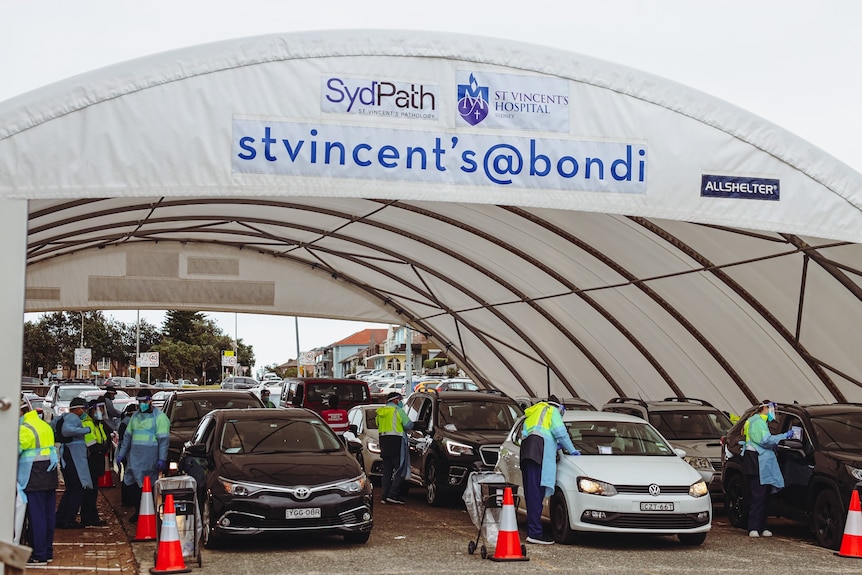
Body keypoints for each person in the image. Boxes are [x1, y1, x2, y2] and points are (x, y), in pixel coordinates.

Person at [520, 395, 579, 545]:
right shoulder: (552, 411)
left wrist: (553, 444)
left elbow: (527, 434)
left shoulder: (535, 412)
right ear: (560, 408)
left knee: (531, 494)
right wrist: (572, 450)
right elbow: (561, 433)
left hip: (527, 454)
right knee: (536, 496)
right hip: (538, 455)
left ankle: (533, 530)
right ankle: (535, 533)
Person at [116, 389, 170, 522]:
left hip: (150, 459)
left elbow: (163, 441)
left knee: (148, 487)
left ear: (150, 401)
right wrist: (121, 455)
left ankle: (149, 513)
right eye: (139, 402)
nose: (142, 405)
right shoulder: (135, 417)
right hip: (135, 458)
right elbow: (127, 438)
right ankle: (138, 511)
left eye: (144, 402)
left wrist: (162, 458)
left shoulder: (160, 418)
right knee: (133, 486)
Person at [743, 400, 793, 537]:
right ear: (764, 408)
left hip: (762, 462)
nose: (773, 413)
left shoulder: (759, 421)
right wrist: (784, 436)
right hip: (757, 461)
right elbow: (765, 440)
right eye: (771, 409)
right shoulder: (757, 421)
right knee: (758, 496)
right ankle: (753, 527)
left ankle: (761, 526)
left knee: (765, 496)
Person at [18, 398, 59, 565]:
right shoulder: (44, 425)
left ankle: (39, 554)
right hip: (49, 473)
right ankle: (47, 551)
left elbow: (13, 450)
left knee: (36, 517)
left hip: (33, 475)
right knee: (48, 515)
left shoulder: (24, 429)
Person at [55, 397, 93, 529]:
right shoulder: (73, 418)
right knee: (77, 488)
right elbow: (67, 430)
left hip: (68, 455)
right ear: (77, 409)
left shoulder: (63, 417)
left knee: (71, 488)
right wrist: (85, 430)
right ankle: (68, 519)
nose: (85, 412)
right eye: (83, 409)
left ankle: (60, 517)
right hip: (73, 457)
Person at [375, 392, 413, 505]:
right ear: (395, 400)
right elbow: (408, 425)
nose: (400, 401)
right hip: (397, 443)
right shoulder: (398, 411)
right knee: (400, 470)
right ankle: (393, 495)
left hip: (384, 444)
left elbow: (378, 425)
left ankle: (384, 496)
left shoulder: (380, 413)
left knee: (387, 471)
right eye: (399, 399)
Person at [81, 400, 110, 527]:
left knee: (93, 491)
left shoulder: (98, 424)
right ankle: (88, 517)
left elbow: (105, 440)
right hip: (91, 460)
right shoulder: (88, 424)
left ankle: (92, 516)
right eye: (98, 409)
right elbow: (92, 445)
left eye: (102, 409)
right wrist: (103, 447)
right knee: (89, 491)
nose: (101, 412)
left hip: (97, 460)